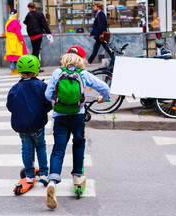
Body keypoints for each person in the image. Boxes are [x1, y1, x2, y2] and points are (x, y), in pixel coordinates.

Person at [44, 45, 110, 209]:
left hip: (59, 117)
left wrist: (57, 105)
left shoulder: (57, 73)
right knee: (79, 143)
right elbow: (105, 88)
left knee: (58, 149)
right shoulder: (84, 74)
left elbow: (47, 94)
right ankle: (77, 177)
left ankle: (52, 181)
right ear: (82, 59)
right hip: (78, 117)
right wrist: (104, 98)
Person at [6, 54, 52, 185]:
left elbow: (10, 106)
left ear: (19, 72)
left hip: (22, 126)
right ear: (37, 70)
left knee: (26, 148)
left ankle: (30, 175)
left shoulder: (15, 88)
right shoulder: (42, 86)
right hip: (38, 124)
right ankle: (43, 174)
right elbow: (48, 103)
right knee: (40, 146)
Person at [24, 2, 51, 72]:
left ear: (30, 8)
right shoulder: (40, 14)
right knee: (36, 51)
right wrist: (48, 32)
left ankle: (33, 66)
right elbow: (44, 24)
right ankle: (36, 67)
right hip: (38, 34)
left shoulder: (29, 15)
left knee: (34, 51)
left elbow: (25, 22)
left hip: (32, 35)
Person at [5, 9, 28, 75]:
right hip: (15, 40)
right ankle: (16, 70)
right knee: (17, 55)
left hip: (9, 41)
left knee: (12, 56)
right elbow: (18, 32)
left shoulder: (8, 21)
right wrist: (21, 40)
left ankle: (12, 69)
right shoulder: (15, 21)